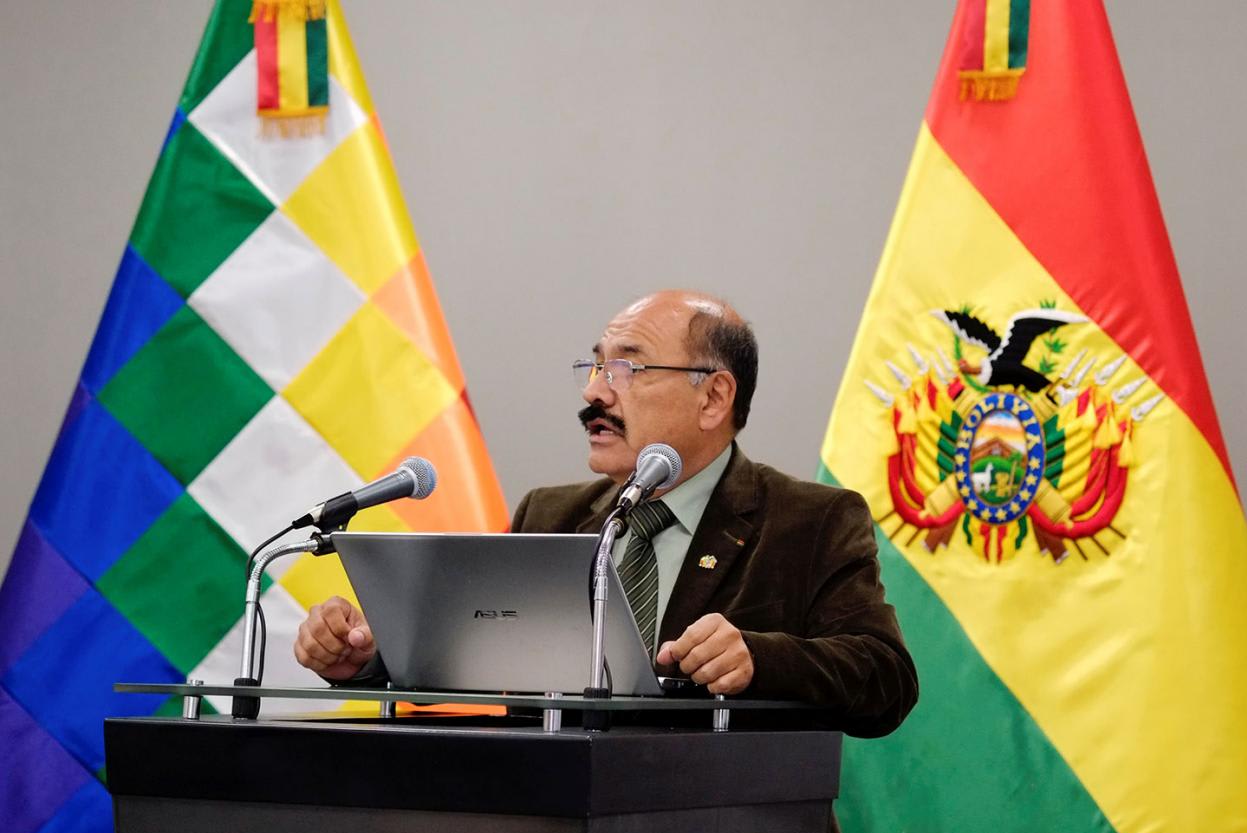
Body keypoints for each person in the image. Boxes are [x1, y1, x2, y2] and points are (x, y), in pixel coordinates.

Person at [293, 290, 918, 736]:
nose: (595, 391)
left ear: (714, 397)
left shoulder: (809, 521)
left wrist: (760, 658)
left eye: (626, 367)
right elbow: (476, 663)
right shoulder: (551, 513)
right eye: (594, 366)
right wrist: (370, 660)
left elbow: (886, 680)